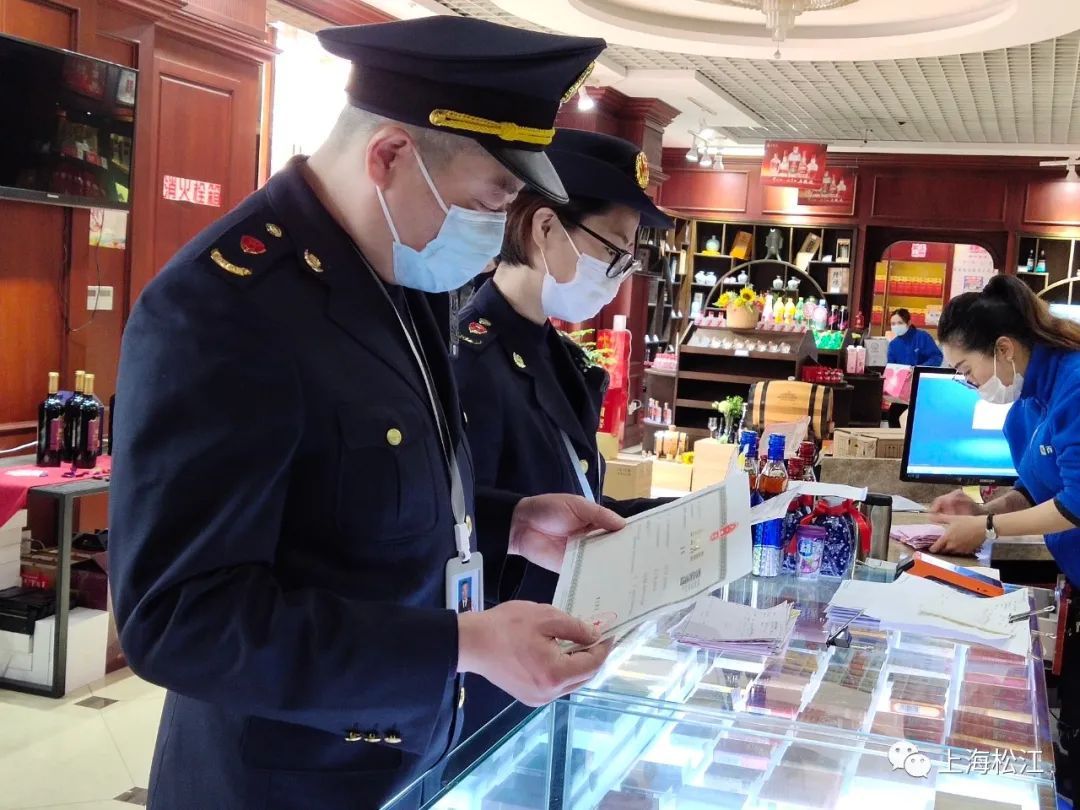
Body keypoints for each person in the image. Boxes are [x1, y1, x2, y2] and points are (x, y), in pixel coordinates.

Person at [107, 18, 621, 810]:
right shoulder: (224, 308)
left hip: (406, 754)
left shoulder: (402, 275)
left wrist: (512, 521)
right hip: (281, 781)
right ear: (389, 157)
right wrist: (458, 644)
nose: (493, 239)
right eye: (488, 201)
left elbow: (358, 497)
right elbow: (180, 619)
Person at [452, 129, 673, 739]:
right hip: (498, 669)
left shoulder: (560, 357)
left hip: (559, 651)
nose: (620, 275)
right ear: (545, 228)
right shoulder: (470, 360)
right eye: (614, 252)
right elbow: (458, 528)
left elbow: (578, 503)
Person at [929, 274, 1080, 787]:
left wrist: (987, 528)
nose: (970, 384)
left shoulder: (1074, 385)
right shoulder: (1029, 404)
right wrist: (979, 509)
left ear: (1004, 349)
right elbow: (1036, 489)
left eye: (966, 371)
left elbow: (1076, 505)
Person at [886, 308, 943, 426]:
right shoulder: (893, 345)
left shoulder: (922, 337)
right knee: (894, 417)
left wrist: (919, 368)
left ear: (908, 323)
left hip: (922, 387)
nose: (896, 326)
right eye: (893, 324)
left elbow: (936, 357)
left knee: (919, 420)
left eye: (899, 323)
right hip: (902, 392)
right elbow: (891, 368)